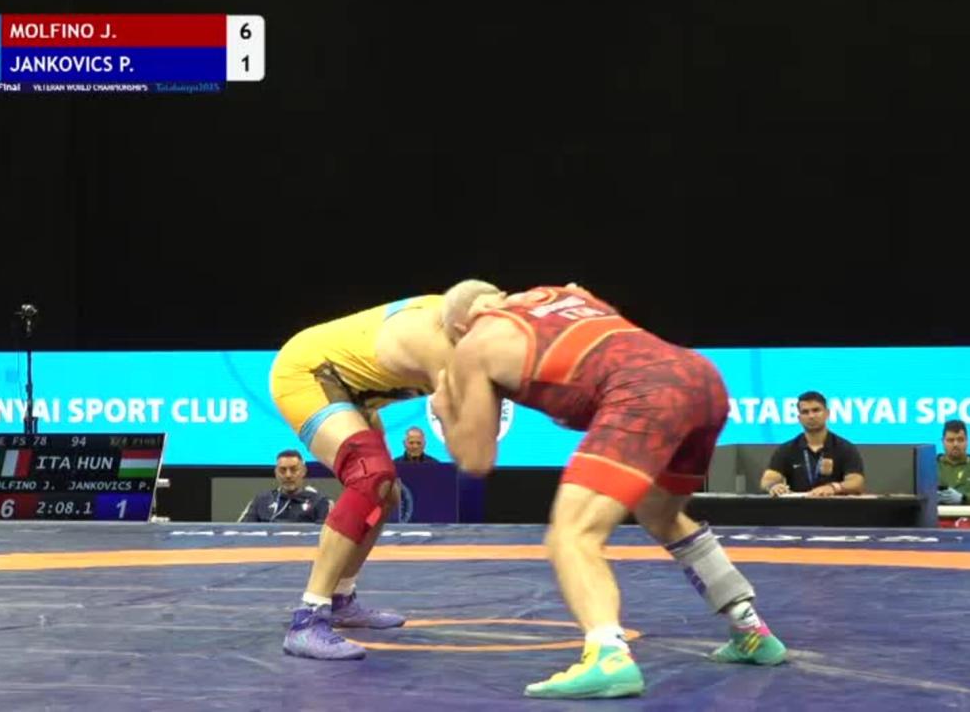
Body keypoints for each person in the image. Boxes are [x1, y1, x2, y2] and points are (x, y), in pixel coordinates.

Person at [432, 281, 785, 700]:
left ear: (458, 326)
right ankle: (751, 630)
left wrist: (445, 408)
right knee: (660, 514)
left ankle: (608, 656)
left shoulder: (473, 344)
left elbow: (476, 461)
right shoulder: (559, 293)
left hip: (643, 393)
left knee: (572, 535)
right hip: (701, 378)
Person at [270, 292, 452, 660]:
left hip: (354, 391)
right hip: (309, 371)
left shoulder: (482, 337)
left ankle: (341, 600)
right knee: (370, 476)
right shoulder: (435, 331)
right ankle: (308, 619)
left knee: (386, 491)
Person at [759, 391, 865, 497]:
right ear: (799, 418)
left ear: (827, 413)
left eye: (816, 410)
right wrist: (773, 486)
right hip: (797, 506)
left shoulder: (845, 448)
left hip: (834, 505)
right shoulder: (787, 449)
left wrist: (833, 487)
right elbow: (767, 480)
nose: (811, 416)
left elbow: (856, 482)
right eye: (805, 412)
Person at [238, 449, 332, 523]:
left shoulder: (320, 502)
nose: (288, 475)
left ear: (303, 471)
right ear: (276, 473)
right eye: (282, 470)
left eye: (294, 469)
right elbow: (240, 531)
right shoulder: (261, 500)